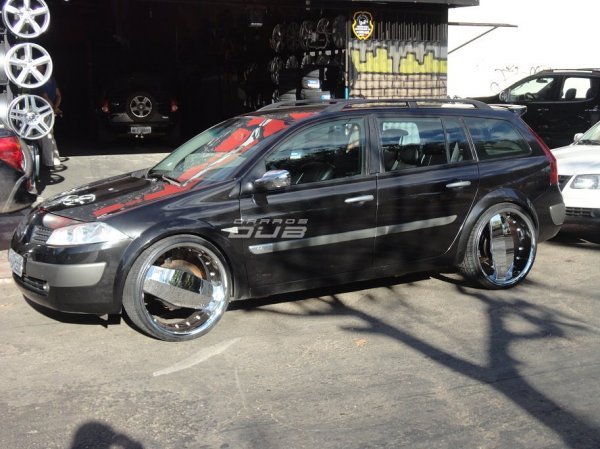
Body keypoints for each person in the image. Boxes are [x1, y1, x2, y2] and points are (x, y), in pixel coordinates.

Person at [37, 76, 62, 168]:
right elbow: (59, 95)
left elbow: (45, 98)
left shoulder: (39, 81)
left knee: (45, 137)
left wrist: (52, 107)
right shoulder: (52, 80)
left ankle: (48, 162)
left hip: (42, 113)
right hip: (51, 112)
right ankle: (56, 160)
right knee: (50, 136)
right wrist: (55, 108)